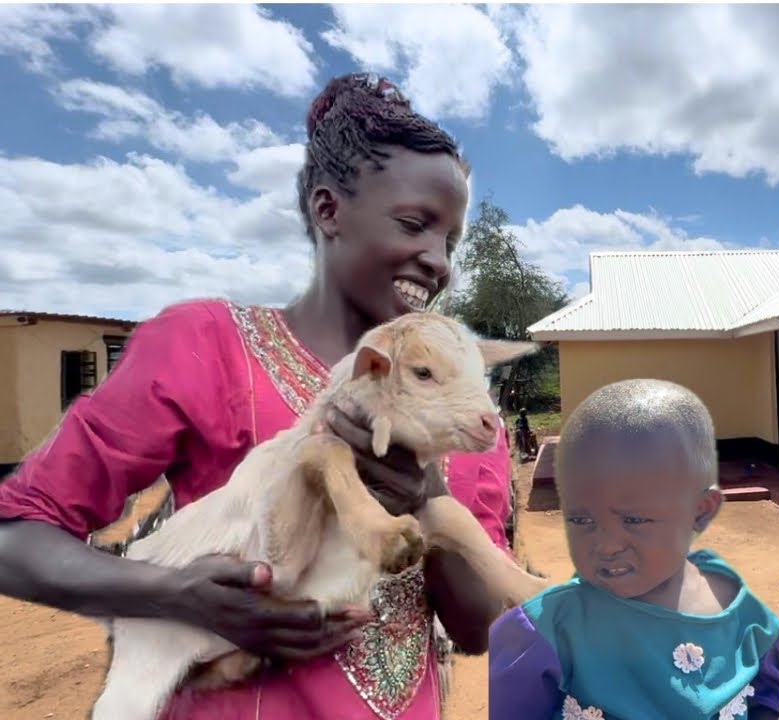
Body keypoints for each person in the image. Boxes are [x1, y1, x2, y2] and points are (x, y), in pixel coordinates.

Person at [0, 72, 513, 720]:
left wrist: (427, 495)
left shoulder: (461, 417)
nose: (438, 260)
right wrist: (175, 594)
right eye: (415, 224)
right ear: (328, 210)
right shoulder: (207, 347)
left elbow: (473, 629)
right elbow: (15, 534)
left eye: (450, 241)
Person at [488, 379, 779, 719]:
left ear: (700, 510)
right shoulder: (544, 633)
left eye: (635, 520)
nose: (607, 546)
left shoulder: (749, 620)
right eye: (582, 520)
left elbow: (765, 703)